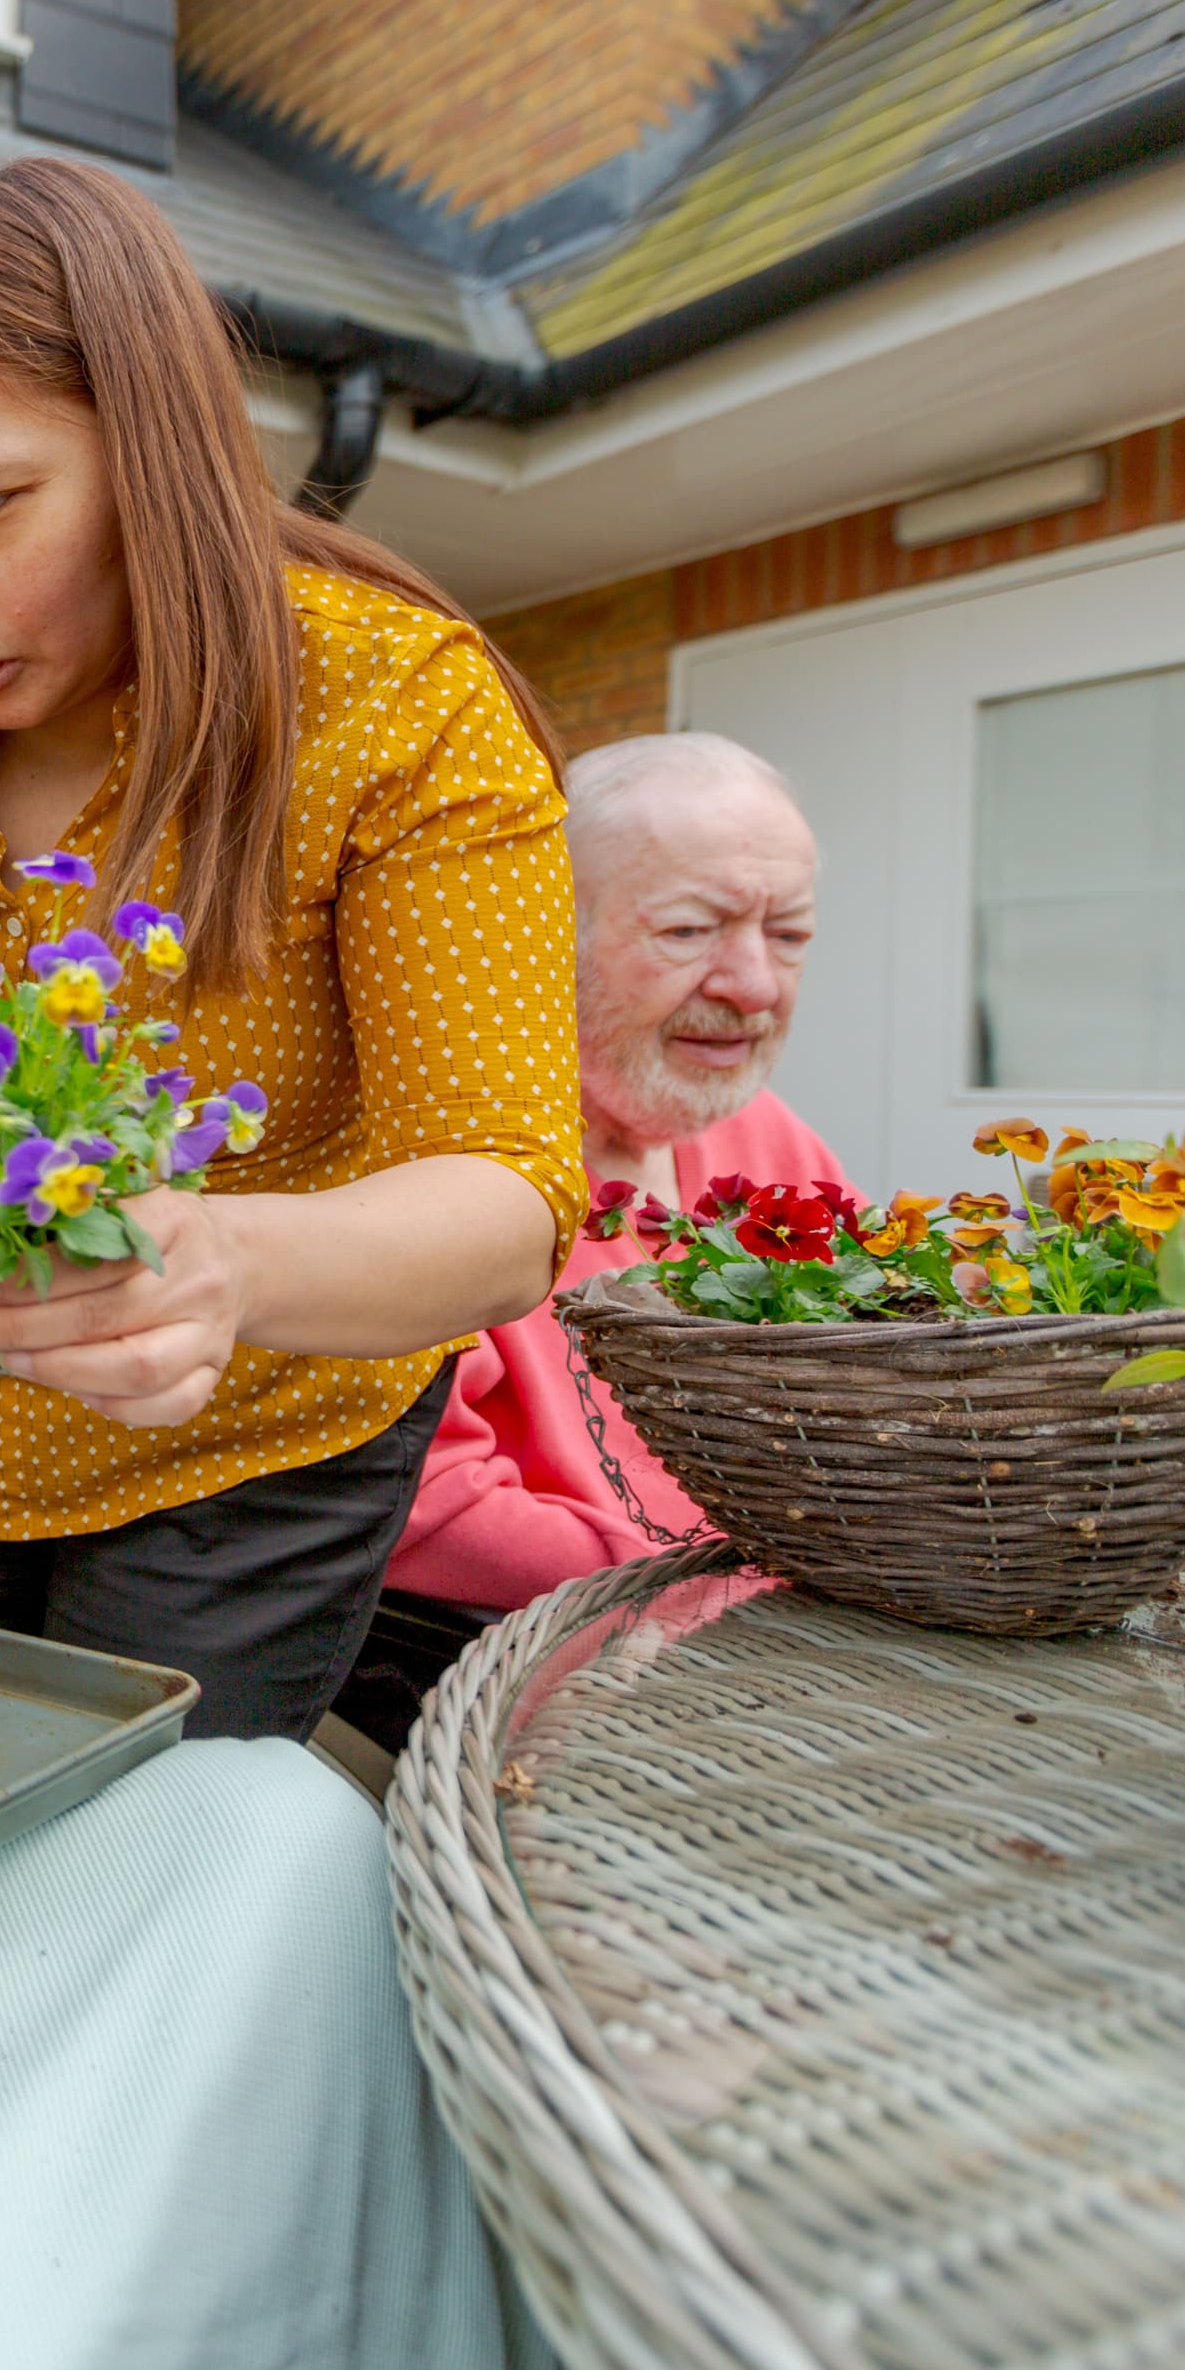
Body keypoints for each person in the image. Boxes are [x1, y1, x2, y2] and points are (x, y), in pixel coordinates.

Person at [0, 157, 583, 1741]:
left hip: (249, 1443)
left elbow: (502, 1200)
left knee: (122, 1857)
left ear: (156, 452)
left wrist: (220, 1265)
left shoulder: (401, 704)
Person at [342, 732, 836, 1742]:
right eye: (692, 929)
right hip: (526, 1683)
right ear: (542, 931)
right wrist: (724, 1576)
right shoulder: (433, 1156)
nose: (753, 984)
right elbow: (417, 1507)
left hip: (786, 1645)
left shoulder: (773, 1139)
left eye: (789, 935)